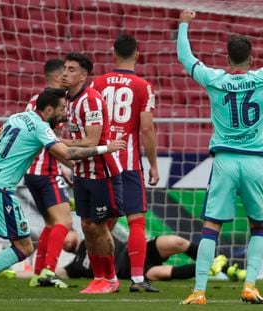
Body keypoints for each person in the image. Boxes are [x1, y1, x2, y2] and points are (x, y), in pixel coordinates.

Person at [177, 1, 263, 305]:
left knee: (212, 226)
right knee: (259, 225)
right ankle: (250, 285)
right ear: (251, 59)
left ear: (226, 58)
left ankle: (199, 291)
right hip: (254, 162)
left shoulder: (215, 79)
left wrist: (184, 24)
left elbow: (185, 58)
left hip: (224, 161)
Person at [0, 89, 126, 298]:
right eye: (62, 109)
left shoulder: (16, 117)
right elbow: (68, 153)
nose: (64, 114)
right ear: (48, 110)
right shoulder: (40, 127)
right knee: (24, 248)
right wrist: (105, 148)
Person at [91, 34, 159, 292]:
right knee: (136, 220)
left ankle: (103, 276)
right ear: (138, 54)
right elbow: (147, 128)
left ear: (113, 53)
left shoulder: (97, 83)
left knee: (100, 223)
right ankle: (138, 279)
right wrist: (152, 164)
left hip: (102, 159)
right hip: (128, 162)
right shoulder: (143, 86)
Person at [61, 52, 124, 294]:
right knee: (86, 225)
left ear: (84, 75)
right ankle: (98, 277)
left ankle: (111, 278)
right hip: (82, 171)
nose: (65, 73)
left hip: (101, 171)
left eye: (72, 69)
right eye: (65, 68)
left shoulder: (92, 100)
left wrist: (56, 143)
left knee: (100, 227)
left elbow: (91, 141)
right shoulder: (68, 99)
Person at [24, 59, 73, 289]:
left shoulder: (36, 101)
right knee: (64, 221)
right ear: (55, 77)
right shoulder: (52, 105)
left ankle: (37, 273)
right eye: (64, 73)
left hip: (33, 172)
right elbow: (50, 142)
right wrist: (68, 164)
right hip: (45, 171)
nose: (66, 77)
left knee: (51, 222)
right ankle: (49, 272)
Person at [57, 229, 201, 282]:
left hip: (132, 251)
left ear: (74, 231)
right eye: (58, 241)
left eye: (63, 234)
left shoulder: (96, 233)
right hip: (128, 271)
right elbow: (54, 274)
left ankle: (216, 261)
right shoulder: (73, 267)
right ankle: (209, 267)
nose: (62, 241)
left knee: (176, 242)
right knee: (160, 273)